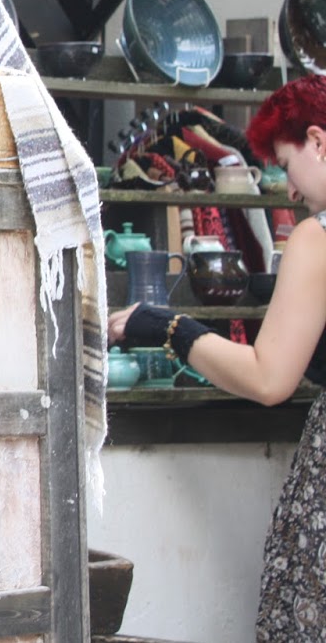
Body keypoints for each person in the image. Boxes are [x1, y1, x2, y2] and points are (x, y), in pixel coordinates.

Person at [109, 73, 326, 639]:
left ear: (320, 141)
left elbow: (268, 379)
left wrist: (172, 328)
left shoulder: (316, 239)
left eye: (285, 164)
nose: (290, 192)